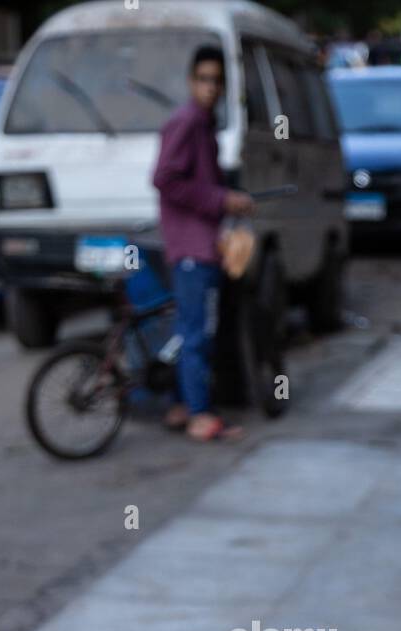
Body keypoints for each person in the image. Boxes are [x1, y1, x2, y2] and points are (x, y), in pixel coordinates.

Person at [152, 45, 253, 442]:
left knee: (190, 331)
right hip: (192, 248)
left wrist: (229, 199)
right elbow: (165, 179)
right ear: (192, 81)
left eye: (216, 81)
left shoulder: (203, 123)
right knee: (197, 335)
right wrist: (221, 200)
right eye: (203, 79)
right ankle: (198, 415)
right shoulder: (188, 121)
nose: (210, 87)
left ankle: (181, 405)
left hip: (203, 245)